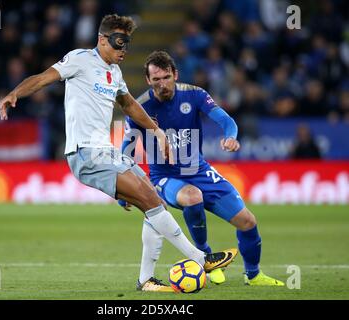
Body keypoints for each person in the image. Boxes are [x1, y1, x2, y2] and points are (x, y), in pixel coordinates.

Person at [0, 14, 237, 292]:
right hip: (85, 152)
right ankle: (200, 258)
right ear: (102, 39)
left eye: (127, 44)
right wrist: (15, 93)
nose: (123, 50)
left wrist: (158, 132)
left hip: (105, 152)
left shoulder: (115, 73)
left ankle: (146, 280)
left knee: (153, 198)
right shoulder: (80, 59)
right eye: (118, 43)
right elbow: (43, 78)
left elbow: (131, 105)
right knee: (149, 198)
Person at [120, 51, 284, 286]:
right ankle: (205, 256)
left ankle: (254, 275)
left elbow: (227, 121)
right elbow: (126, 148)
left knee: (247, 221)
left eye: (166, 77)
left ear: (175, 74)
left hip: (198, 169)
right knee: (192, 197)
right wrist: (123, 190)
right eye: (155, 80)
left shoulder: (195, 94)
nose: (161, 84)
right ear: (148, 80)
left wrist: (231, 136)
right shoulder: (140, 107)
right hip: (165, 176)